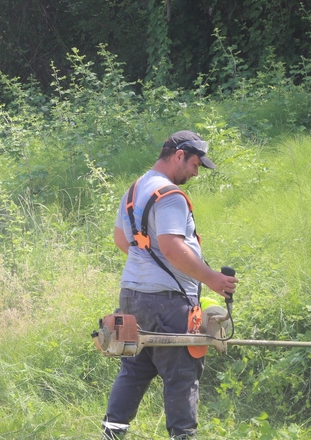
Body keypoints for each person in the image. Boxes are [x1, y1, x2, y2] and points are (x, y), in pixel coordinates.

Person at [102, 130, 238, 439]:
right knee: (182, 373)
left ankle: (111, 434)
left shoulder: (134, 190)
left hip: (132, 296)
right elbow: (172, 246)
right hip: (168, 302)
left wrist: (149, 265)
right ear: (178, 155)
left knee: (134, 368)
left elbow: (122, 240)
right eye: (194, 164)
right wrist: (213, 279)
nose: (195, 172)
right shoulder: (170, 195)